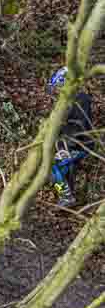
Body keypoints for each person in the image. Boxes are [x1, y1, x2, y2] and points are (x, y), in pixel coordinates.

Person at [48, 66, 94, 208]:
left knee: (54, 166)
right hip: (69, 143)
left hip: (81, 144)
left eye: (60, 87)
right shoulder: (67, 102)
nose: (58, 92)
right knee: (54, 165)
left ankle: (67, 197)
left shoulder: (81, 100)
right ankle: (69, 192)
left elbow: (78, 125)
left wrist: (67, 147)